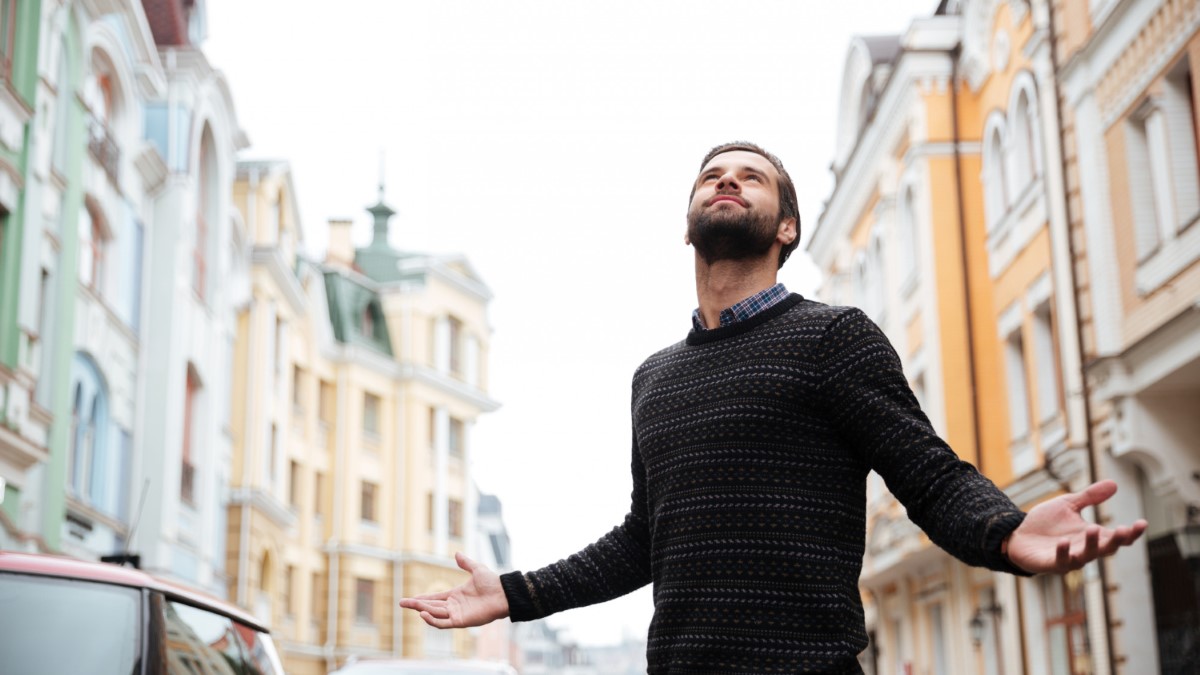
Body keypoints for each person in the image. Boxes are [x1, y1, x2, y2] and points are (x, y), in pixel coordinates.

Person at [400, 142, 1148, 674]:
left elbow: (929, 473)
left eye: (751, 178)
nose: (726, 183)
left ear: (785, 226)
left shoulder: (832, 336)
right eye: (712, 177)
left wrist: (1006, 530)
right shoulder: (653, 377)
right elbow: (643, 539)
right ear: (687, 223)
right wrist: (514, 594)